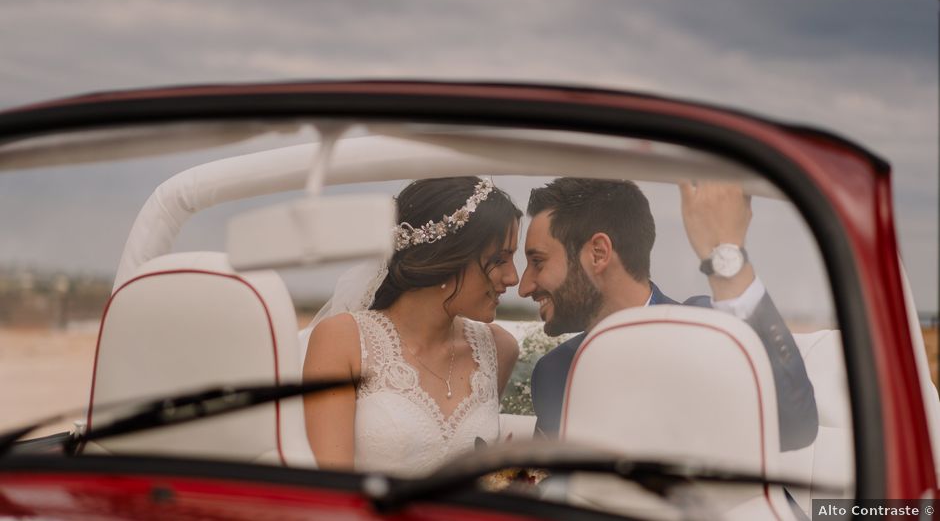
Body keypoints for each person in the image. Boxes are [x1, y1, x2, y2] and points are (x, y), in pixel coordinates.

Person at [521, 178, 818, 452]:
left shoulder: (707, 329)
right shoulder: (552, 373)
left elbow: (794, 425)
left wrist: (728, 258)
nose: (523, 287)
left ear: (598, 253)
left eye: (537, 262)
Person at [302, 176, 521, 476]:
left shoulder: (499, 348)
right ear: (448, 255)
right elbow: (331, 489)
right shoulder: (343, 341)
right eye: (500, 259)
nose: (513, 278)